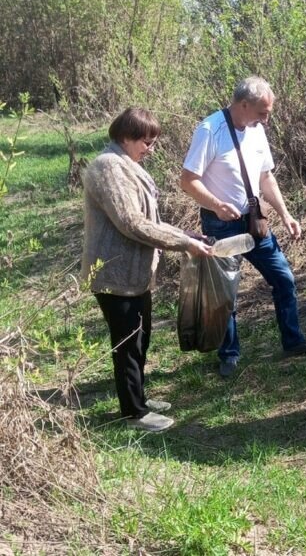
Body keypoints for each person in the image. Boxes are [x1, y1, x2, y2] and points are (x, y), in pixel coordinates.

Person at [181, 75, 306, 377]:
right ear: (243, 104)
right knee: (225, 293)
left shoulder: (257, 130)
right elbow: (188, 180)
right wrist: (216, 205)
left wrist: (285, 215)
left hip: (255, 222)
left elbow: (265, 177)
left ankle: (293, 341)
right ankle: (229, 355)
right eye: (262, 112)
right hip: (220, 226)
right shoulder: (210, 130)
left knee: (284, 279)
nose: (267, 119)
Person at [81, 108, 213, 433]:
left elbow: (149, 221)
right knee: (127, 345)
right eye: (146, 141)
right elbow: (131, 223)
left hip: (136, 275)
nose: (150, 148)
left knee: (141, 339)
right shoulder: (108, 167)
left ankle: (138, 397)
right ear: (126, 135)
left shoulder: (128, 165)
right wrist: (183, 244)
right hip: (114, 275)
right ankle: (134, 414)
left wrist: (188, 235)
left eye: (153, 142)